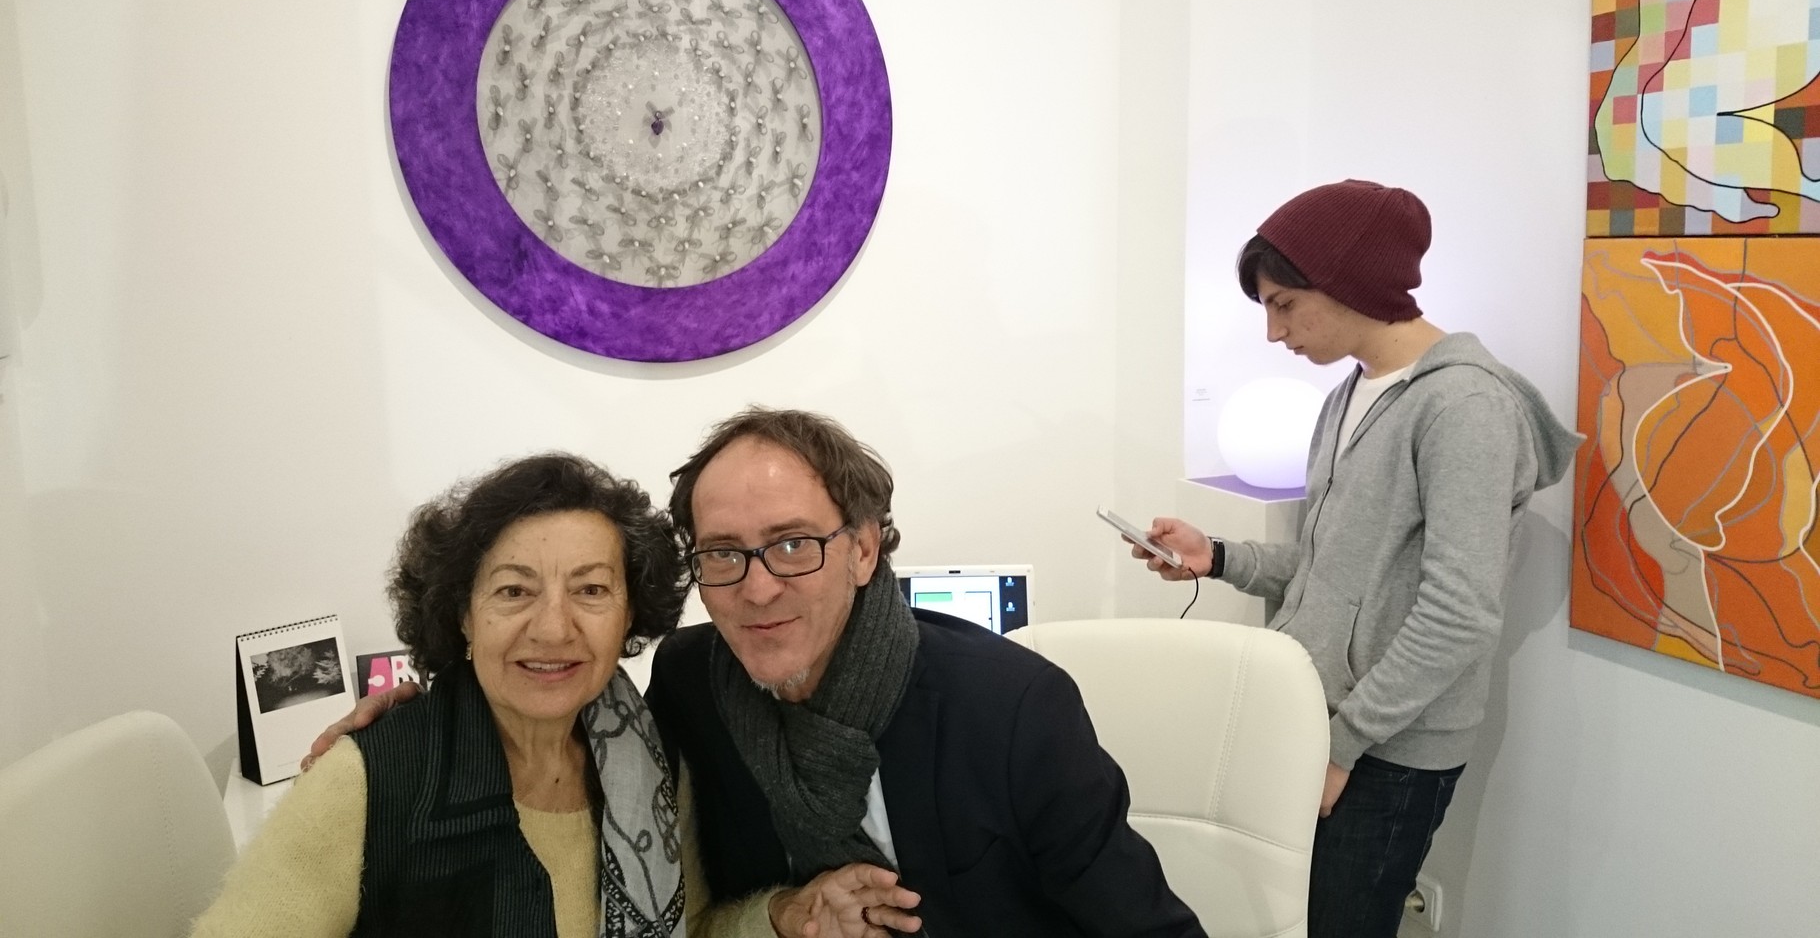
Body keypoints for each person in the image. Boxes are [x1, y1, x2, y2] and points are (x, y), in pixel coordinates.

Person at [1133, 180, 1582, 938]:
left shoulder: (1465, 408)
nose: (1274, 332)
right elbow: (1333, 569)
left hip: (1388, 747)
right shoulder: (1349, 395)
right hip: (1317, 716)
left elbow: (1459, 614)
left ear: (1348, 282)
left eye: (1284, 305)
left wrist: (1341, 745)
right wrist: (1217, 557)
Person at [648, 407, 1206, 938]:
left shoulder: (1011, 708)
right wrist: (781, 912)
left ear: (864, 550)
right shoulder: (691, 684)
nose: (758, 589)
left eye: (794, 545)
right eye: (722, 552)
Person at [193, 453, 698, 937]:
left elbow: (697, 926)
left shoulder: (655, 769)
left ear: (629, 614)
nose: (553, 629)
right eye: (514, 591)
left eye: (591, 590)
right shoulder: (366, 782)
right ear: (463, 616)